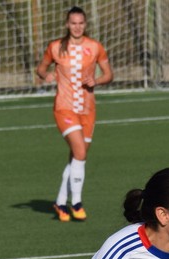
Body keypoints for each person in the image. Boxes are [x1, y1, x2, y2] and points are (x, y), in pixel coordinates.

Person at [35, 6, 113, 222]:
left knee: (78, 157)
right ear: (67, 24)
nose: (77, 27)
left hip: (88, 109)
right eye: (73, 23)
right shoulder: (55, 47)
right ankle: (77, 202)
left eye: (80, 23)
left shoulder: (95, 47)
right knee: (79, 152)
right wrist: (46, 75)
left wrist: (96, 80)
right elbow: (41, 68)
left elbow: (109, 74)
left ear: (85, 24)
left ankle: (61, 202)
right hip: (64, 107)